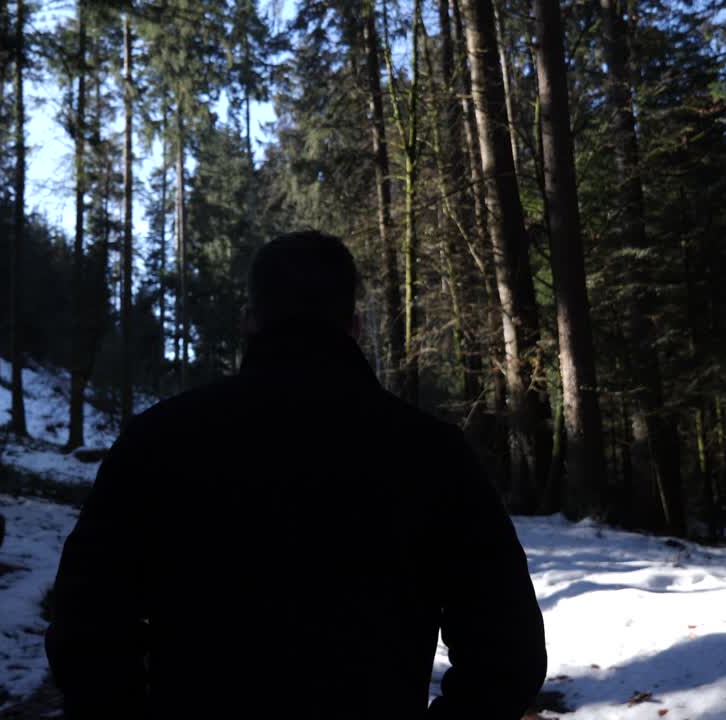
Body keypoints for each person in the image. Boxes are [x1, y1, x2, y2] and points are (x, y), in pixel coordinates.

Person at [46, 231, 546, 719]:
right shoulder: (432, 453)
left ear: (249, 322)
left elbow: (84, 624)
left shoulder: (158, 441)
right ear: (353, 325)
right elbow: (509, 653)